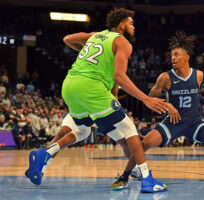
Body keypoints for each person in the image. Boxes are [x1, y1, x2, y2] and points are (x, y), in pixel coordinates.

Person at [25, 8, 168, 193]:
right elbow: (119, 76)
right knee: (129, 129)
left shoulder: (95, 35)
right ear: (122, 25)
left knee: (83, 131)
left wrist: (85, 50)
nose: (134, 27)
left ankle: (46, 153)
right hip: (91, 88)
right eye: (131, 23)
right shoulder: (123, 42)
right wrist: (145, 99)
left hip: (69, 85)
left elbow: (67, 39)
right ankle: (147, 180)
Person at [111, 31, 204, 190]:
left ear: (186, 57)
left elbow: (194, 96)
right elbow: (150, 99)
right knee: (145, 143)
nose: (173, 58)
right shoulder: (165, 78)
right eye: (172, 55)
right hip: (173, 123)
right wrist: (167, 105)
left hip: (195, 122)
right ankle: (125, 176)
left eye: (177, 54)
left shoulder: (199, 75)